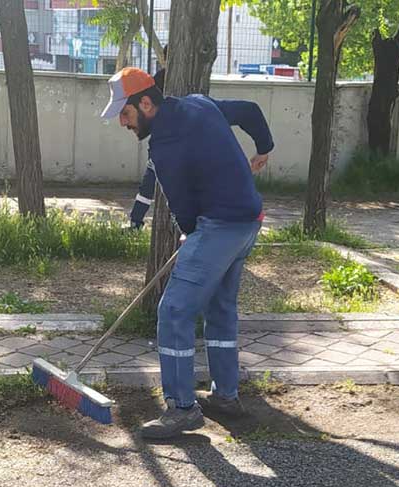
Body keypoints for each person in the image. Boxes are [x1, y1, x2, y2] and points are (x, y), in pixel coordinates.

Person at [101, 67, 274, 440]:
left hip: (219, 225)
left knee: (175, 310)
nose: (122, 123)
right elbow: (249, 111)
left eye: (126, 113)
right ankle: (226, 396)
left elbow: (182, 206)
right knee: (220, 307)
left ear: (146, 103)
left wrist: (192, 236)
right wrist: (264, 148)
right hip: (249, 221)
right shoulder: (200, 104)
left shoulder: (163, 146)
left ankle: (181, 408)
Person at [127, 67, 164, 229]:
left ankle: (136, 221)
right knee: (149, 181)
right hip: (161, 138)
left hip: (161, 138)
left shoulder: (159, 78)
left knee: (149, 182)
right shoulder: (160, 78)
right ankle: (136, 221)